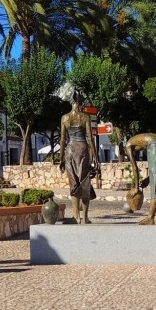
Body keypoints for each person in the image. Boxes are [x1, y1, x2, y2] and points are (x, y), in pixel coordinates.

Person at [59, 90, 100, 224]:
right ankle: (85, 217)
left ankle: (76, 215)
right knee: (85, 183)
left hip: (70, 151)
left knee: (74, 184)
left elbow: (63, 140)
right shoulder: (85, 117)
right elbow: (90, 138)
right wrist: (95, 156)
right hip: (83, 150)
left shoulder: (65, 118)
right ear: (80, 101)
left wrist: (60, 159)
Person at [124, 132, 156, 225]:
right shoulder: (141, 140)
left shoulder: (128, 145)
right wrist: (148, 179)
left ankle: (150, 218)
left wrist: (136, 188)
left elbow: (134, 167)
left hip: (155, 144)